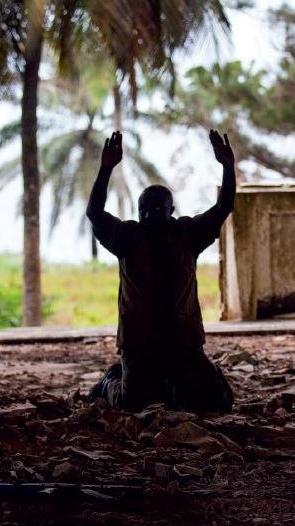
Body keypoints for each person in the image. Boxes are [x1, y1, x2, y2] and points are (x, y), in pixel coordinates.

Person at [86, 129, 236, 414]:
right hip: (139, 346)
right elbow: (94, 213)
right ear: (137, 211)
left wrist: (228, 167)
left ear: (172, 210)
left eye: (158, 208)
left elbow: (223, 206)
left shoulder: (187, 234)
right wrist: (105, 169)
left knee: (220, 403)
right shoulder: (127, 236)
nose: (151, 213)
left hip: (184, 345)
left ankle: (179, 384)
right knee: (132, 406)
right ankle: (111, 380)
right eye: (145, 209)